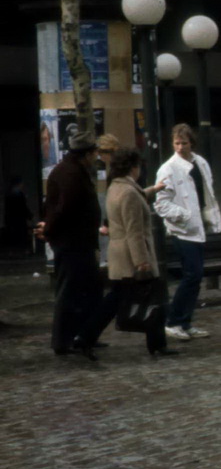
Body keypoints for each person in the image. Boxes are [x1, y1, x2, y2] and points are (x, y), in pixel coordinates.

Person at [82, 147, 175, 357]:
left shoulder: (117, 187)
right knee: (150, 299)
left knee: (119, 299)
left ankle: (156, 343)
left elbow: (137, 196)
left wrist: (154, 189)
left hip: (120, 256)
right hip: (130, 258)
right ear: (134, 167)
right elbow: (134, 230)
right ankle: (87, 336)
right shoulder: (128, 192)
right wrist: (142, 261)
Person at [154, 123, 221, 342]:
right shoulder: (168, 169)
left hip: (198, 227)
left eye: (184, 142)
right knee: (191, 275)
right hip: (182, 230)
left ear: (191, 142)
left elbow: (208, 192)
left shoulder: (200, 163)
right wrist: (184, 215)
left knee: (195, 277)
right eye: (176, 143)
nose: (180, 147)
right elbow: (161, 204)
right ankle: (174, 321)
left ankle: (185, 321)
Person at [40, 131, 103, 359]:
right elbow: (63, 209)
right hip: (72, 243)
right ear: (86, 153)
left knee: (88, 289)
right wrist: (49, 230)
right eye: (95, 152)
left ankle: (82, 334)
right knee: (70, 290)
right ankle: (63, 340)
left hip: (79, 241)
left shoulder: (75, 170)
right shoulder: (70, 173)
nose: (96, 156)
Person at [4, 175, 34, 251]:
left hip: (11, 220)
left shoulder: (8, 194)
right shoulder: (19, 194)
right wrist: (30, 216)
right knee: (21, 236)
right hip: (20, 220)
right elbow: (23, 207)